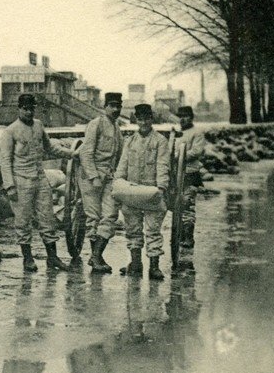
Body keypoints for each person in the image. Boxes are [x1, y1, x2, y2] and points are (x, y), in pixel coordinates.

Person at [0, 93, 74, 272]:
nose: (29, 112)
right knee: (23, 221)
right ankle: (28, 258)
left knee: (47, 218)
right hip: (21, 180)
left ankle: (53, 257)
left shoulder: (39, 125)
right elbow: (4, 160)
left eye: (32, 108)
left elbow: (50, 147)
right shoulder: (10, 131)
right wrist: (9, 186)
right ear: (19, 109)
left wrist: (71, 153)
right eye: (25, 109)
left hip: (40, 178)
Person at [115, 103, 170, 280]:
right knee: (132, 228)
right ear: (136, 120)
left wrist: (161, 187)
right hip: (132, 191)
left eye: (147, 118)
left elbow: (163, 165)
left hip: (152, 192)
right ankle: (136, 263)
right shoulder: (129, 141)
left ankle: (154, 266)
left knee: (153, 230)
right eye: (140, 119)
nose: (144, 122)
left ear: (151, 119)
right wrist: (118, 183)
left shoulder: (160, 141)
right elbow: (122, 165)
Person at [77, 92, 124, 274]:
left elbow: (119, 156)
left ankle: (96, 255)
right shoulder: (95, 124)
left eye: (118, 106)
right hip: (91, 177)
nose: (116, 109)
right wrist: (94, 176)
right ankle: (96, 257)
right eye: (112, 106)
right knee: (93, 217)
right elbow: (85, 153)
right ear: (105, 107)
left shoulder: (117, 128)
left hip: (109, 176)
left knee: (110, 215)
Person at [174, 105, 206, 275]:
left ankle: (188, 236)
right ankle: (178, 233)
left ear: (191, 117)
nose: (183, 119)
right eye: (181, 116)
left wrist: (179, 156)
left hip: (190, 173)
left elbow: (197, 151)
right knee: (177, 204)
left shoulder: (197, 133)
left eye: (186, 116)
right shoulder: (177, 134)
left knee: (188, 203)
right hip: (177, 174)